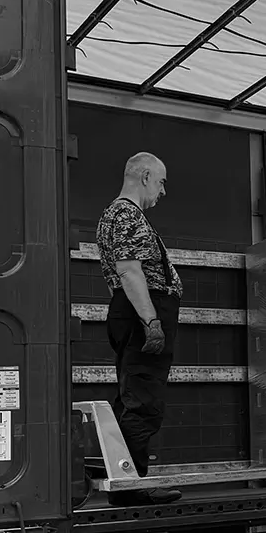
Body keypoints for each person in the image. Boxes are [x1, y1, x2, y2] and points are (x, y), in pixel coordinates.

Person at [96, 152, 183, 506]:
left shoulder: (113, 216)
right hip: (142, 312)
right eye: (161, 182)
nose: (162, 191)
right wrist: (151, 321)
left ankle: (125, 479)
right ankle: (132, 486)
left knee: (131, 396)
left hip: (129, 310)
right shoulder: (127, 215)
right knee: (143, 400)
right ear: (145, 176)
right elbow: (130, 271)